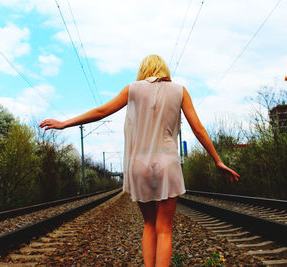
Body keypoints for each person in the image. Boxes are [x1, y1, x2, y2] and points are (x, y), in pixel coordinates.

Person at [40, 54, 239, 267]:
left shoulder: (132, 89)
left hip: (139, 165)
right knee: (164, 229)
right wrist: (217, 160)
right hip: (167, 164)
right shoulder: (180, 91)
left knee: (149, 224)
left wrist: (64, 123)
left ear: (143, 70)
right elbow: (198, 129)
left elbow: (101, 111)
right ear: (164, 70)